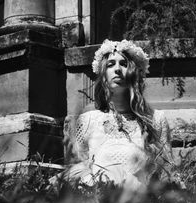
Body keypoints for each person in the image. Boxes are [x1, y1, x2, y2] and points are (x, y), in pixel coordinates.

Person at [66, 39, 173, 190]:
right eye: (110, 65)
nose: (117, 69)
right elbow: (76, 171)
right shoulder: (87, 120)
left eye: (123, 64)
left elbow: (166, 173)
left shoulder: (156, 119)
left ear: (134, 73)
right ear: (103, 75)